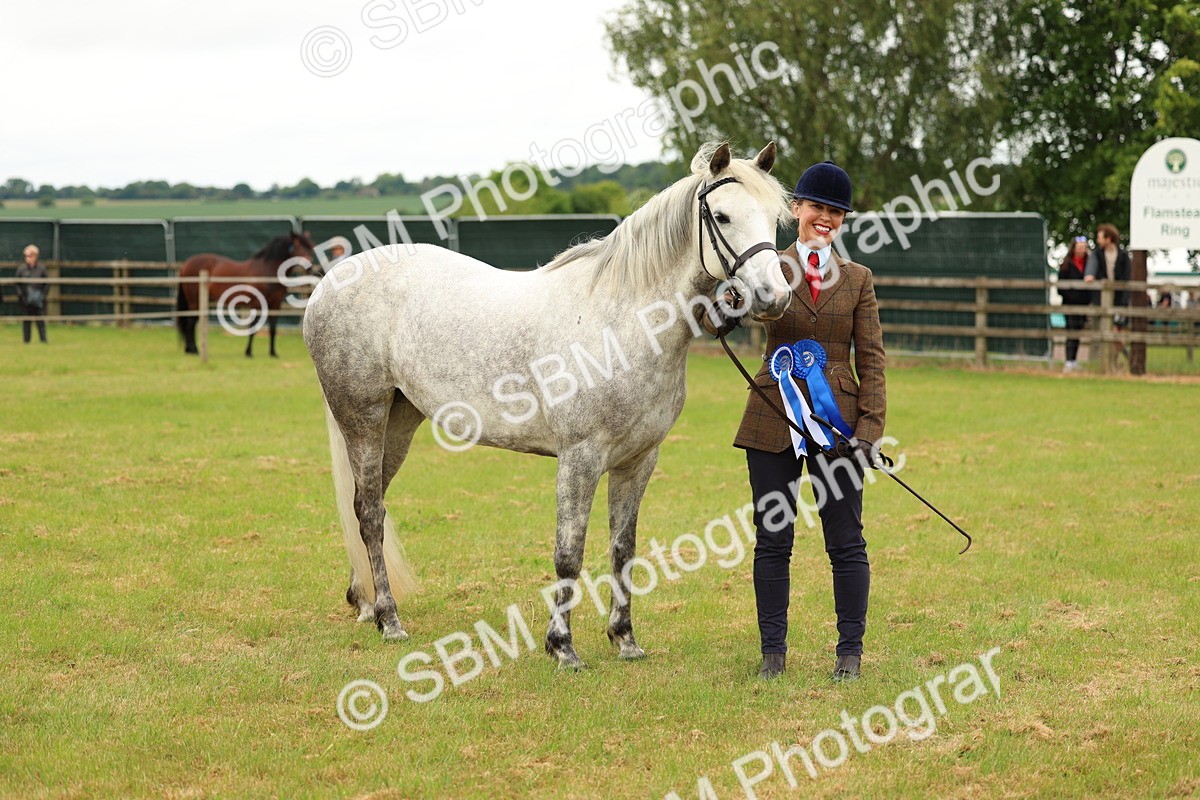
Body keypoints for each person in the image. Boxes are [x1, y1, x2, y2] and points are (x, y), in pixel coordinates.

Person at [707, 161, 886, 682]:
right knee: (773, 539)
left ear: (843, 221)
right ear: (796, 211)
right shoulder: (769, 266)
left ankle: (849, 654)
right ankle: (772, 655)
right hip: (771, 417)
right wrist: (724, 307)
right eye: (817, 208)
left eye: (835, 212)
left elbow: (871, 359)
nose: (825, 219)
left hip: (839, 426)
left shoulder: (858, 280)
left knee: (845, 542)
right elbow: (721, 314)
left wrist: (869, 431)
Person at [1084, 223, 1131, 365]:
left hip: (1119, 301)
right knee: (1102, 332)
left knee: (1116, 333)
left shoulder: (1123, 256)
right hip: (1102, 301)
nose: (1098, 240)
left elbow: (1127, 280)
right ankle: (1101, 362)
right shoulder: (1097, 254)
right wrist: (1089, 275)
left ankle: (1115, 362)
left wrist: (1123, 305)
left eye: (1100, 237)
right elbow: (1091, 267)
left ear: (1108, 238)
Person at [1057, 236, 1091, 372]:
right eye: (1080, 247)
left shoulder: (1089, 264)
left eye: (1084, 247)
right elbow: (1060, 287)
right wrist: (1072, 296)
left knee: (1078, 331)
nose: (1082, 249)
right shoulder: (1066, 265)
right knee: (1071, 331)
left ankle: (1074, 360)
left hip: (1083, 304)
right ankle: (1068, 360)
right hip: (1069, 304)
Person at [16, 244, 49, 344]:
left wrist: (43, 295)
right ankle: (26, 341)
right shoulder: (21, 269)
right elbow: (17, 283)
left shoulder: (41, 269)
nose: (27, 258)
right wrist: (21, 295)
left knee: (40, 320)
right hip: (26, 299)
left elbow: (47, 283)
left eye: (29, 256)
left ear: (35, 256)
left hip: (38, 299)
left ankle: (43, 340)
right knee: (26, 320)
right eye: (26, 256)